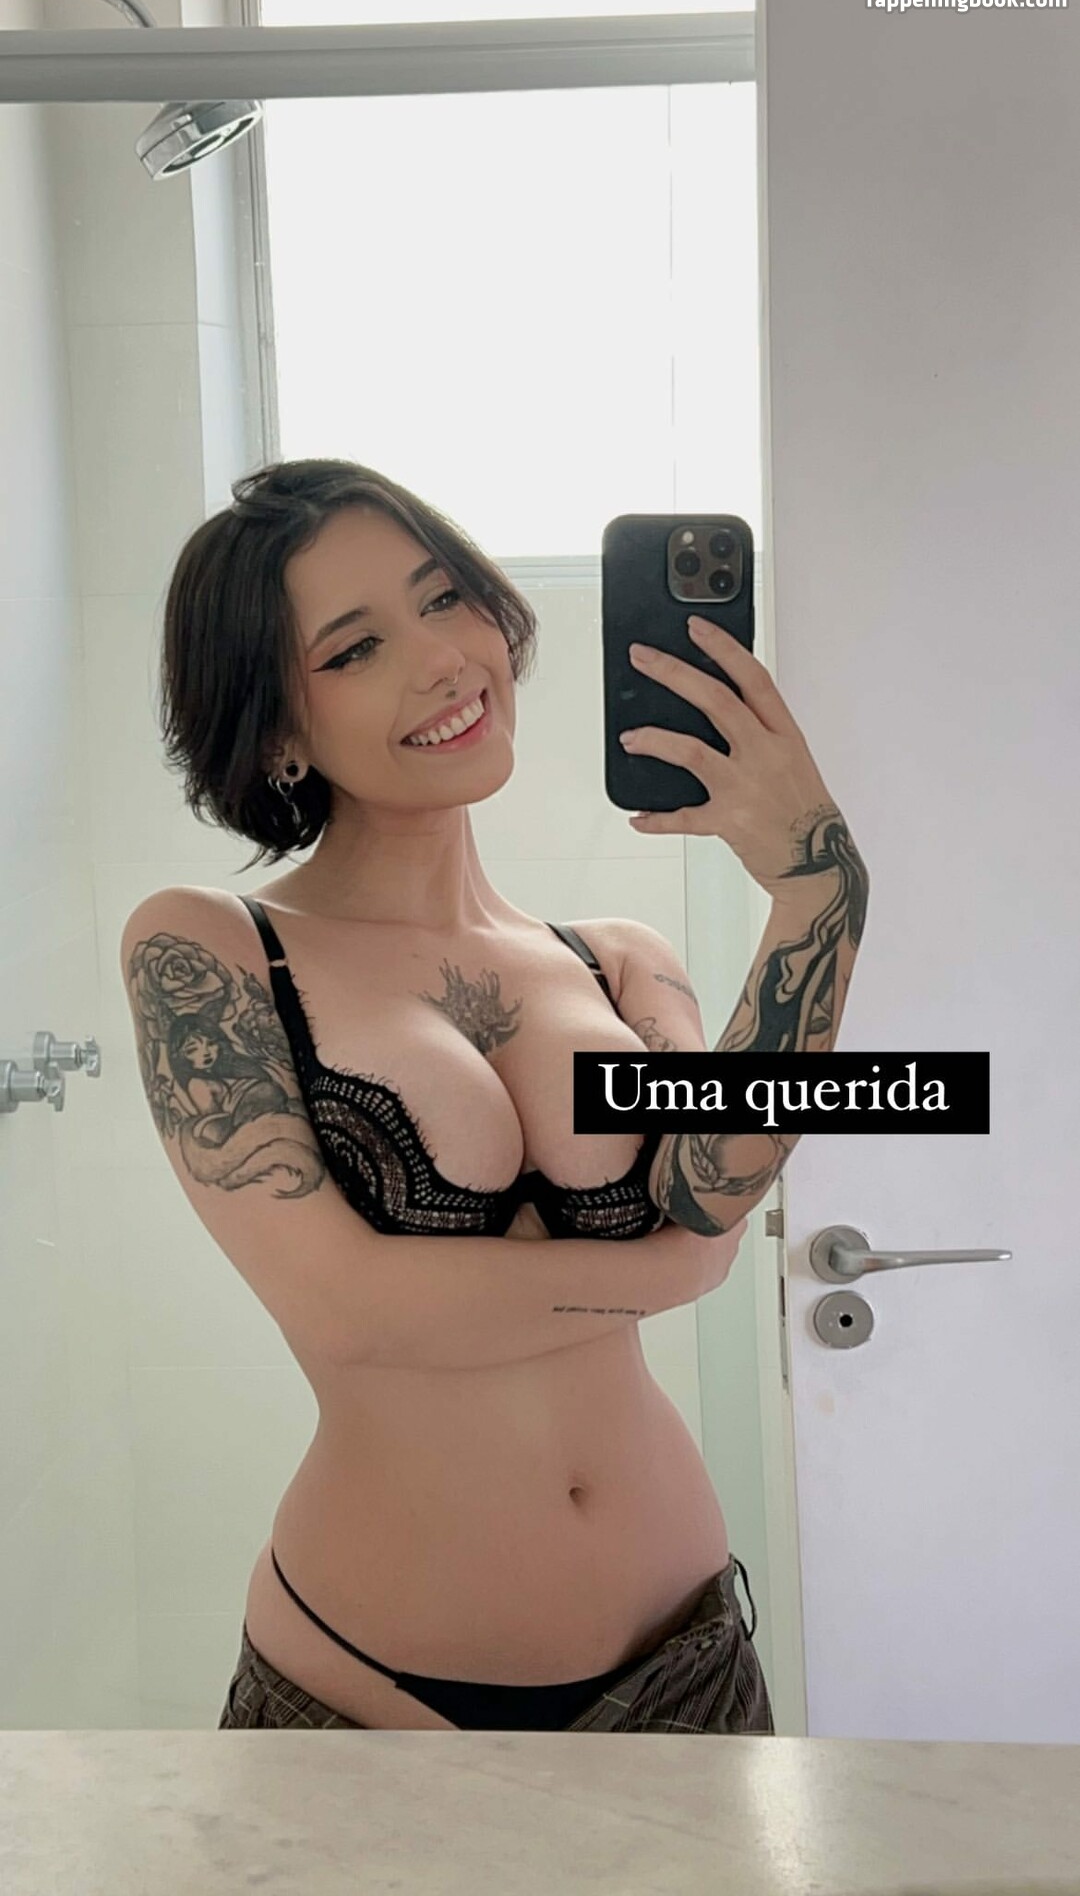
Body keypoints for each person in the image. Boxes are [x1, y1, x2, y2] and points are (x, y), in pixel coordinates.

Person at [121, 458, 866, 1733]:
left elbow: (711, 1195)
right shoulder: (213, 949)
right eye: (355, 648)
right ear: (278, 727)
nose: (442, 660)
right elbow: (347, 1306)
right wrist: (672, 1268)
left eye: (443, 599)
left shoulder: (621, 960)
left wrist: (818, 892)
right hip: (376, 1694)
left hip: (686, 1664)